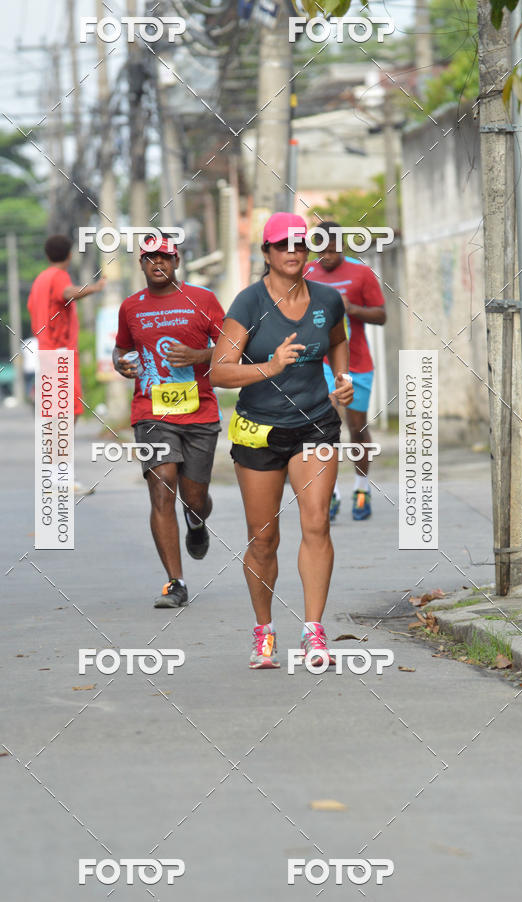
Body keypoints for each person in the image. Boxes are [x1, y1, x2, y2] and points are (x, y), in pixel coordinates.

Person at [210, 212, 354, 670]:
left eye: (300, 245)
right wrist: (270, 367)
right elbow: (219, 372)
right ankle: (264, 630)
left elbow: (338, 341)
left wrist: (343, 379)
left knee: (316, 524)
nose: (293, 253)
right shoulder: (249, 304)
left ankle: (314, 631)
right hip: (259, 428)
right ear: (267, 253)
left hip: (315, 422)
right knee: (264, 537)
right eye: (283, 245)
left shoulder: (328, 299)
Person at [113, 234, 225, 609]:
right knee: (162, 488)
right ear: (141, 265)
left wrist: (198, 354)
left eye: (164, 258)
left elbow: (232, 347)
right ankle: (175, 583)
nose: (157, 264)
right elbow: (121, 347)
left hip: (199, 411)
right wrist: (120, 362)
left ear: (177, 262)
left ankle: (196, 521)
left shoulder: (204, 300)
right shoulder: (130, 307)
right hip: (151, 412)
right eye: (149, 259)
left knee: (193, 498)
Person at [304, 221, 386, 521]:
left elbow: (381, 315)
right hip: (319, 363)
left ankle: (362, 488)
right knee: (325, 426)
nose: (327, 255)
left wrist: (351, 309)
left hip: (357, 363)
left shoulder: (361, 273)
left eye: (332, 248)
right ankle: (331, 494)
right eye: (321, 249)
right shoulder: (306, 273)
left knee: (357, 427)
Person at [27, 234, 106, 494]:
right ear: (69, 255)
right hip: (60, 353)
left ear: (47, 254)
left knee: (56, 418)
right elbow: (67, 293)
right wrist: (93, 288)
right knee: (64, 418)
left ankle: (55, 475)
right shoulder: (58, 277)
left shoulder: (39, 281)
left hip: (46, 352)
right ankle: (63, 478)